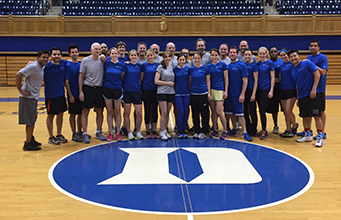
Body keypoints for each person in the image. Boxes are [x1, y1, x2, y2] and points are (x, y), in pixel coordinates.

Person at [288, 49, 323, 147]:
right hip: (302, 96)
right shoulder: (293, 71)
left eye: (295, 56)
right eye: (291, 57)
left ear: (298, 56)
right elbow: (298, 85)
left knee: (317, 116)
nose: (293, 58)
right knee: (305, 116)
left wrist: (314, 89)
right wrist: (299, 98)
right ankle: (308, 135)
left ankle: (319, 137)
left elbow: (317, 74)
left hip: (313, 94)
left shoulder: (307, 63)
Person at [15, 50, 49, 151]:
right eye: (43, 57)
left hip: (33, 97)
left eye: (47, 57)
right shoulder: (33, 66)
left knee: (32, 119)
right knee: (30, 121)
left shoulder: (40, 67)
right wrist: (20, 90)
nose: (45, 59)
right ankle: (28, 143)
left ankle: (30, 138)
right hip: (28, 98)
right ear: (38, 57)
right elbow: (18, 75)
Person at [79, 42, 107, 143]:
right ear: (91, 49)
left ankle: (98, 131)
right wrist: (81, 91)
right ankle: (85, 133)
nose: (97, 51)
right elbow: (81, 77)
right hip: (88, 88)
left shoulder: (103, 60)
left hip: (99, 88)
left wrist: (103, 56)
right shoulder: (85, 61)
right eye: (95, 49)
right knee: (85, 111)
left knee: (100, 111)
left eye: (99, 49)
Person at [224, 46, 252, 141]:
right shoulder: (227, 66)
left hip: (237, 94)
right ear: (229, 54)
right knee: (231, 113)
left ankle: (245, 132)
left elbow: (245, 80)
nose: (232, 54)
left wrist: (242, 94)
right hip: (228, 94)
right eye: (230, 52)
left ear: (237, 53)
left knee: (240, 114)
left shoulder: (242, 65)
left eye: (234, 52)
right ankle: (234, 129)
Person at [44, 47, 68, 145]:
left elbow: (75, 61)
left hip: (61, 94)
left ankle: (59, 134)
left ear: (61, 55)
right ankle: (51, 137)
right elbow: (36, 64)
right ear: (51, 56)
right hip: (51, 95)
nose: (56, 56)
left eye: (58, 54)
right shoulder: (46, 66)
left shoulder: (64, 63)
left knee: (60, 114)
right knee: (50, 116)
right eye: (54, 54)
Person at [305, 39, 328, 140]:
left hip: (320, 88)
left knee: (321, 110)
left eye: (315, 46)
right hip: (310, 87)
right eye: (311, 45)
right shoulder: (308, 57)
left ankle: (322, 132)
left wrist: (312, 65)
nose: (313, 47)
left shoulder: (323, 57)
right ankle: (308, 130)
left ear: (318, 47)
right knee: (310, 110)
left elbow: (323, 72)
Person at [103, 47, 126, 141]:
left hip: (117, 89)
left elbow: (122, 77)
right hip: (107, 89)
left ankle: (118, 132)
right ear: (110, 55)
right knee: (109, 111)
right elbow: (105, 74)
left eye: (115, 53)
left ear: (117, 54)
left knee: (117, 112)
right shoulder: (107, 63)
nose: (114, 55)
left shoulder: (122, 65)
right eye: (112, 53)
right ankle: (110, 132)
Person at [207, 48, 229, 139]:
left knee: (219, 111)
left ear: (219, 56)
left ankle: (225, 131)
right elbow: (208, 81)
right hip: (212, 90)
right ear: (211, 56)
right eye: (213, 55)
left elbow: (226, 79)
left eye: (216, 55)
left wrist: (226, 91)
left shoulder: (223, 65)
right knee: (213, 112)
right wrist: (208, 92)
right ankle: (215, 130)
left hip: (220, 90)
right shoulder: (209, 66)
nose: (214, 57)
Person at [122, 49, 144, 140]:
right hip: (127, 91)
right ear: (129, 56)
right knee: (127, 112)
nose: (134, 56)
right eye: (132, 55)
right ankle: (129, 132)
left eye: (135, 55)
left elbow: (141, 78)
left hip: (137, 91)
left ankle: (138, 131)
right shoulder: (125, 65)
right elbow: (122, 77)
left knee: (139, 112)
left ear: (137, 56)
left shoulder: (140, 66)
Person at [189, 52, 211, 139]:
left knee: (204, 113)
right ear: (193, 59)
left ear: (201, 59)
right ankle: (197, 130)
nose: (197, 60)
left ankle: (204, 130)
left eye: (198, 58)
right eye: (195, 58)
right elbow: (190, 82)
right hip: (194, 94)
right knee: (195, 113)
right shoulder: (191, 70)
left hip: (203, 93)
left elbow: (208, 81)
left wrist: (208, 93)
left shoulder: (205, 69)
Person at [155, 51, 175, 140]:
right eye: (165, 57)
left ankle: (165, 130)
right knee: (163, 113)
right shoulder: (160, 67)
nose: (167, 58)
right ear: (163, 58)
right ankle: (162, 131)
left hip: (170, 92)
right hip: (162, 92)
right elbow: (156, 81)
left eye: (169, 56)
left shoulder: (171, 67)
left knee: (167, 113)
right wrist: (168, 83)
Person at [278, 48, 299, 137]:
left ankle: (294, 126)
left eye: (285, 55)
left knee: (288, 110)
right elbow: (279, 78)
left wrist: (298, 93)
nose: (283, 56)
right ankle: (288, 129)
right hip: (283, 89)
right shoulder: (282, 66)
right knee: (285, 112)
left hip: (291, 90)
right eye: (281, 55)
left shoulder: (293, 65)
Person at [64, 44, 83, 142]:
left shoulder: (81, 65)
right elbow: (66, 81)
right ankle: (74, 132)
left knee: (80, 114)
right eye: (72, 52)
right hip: (72, 93)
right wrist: (70, 94)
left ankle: (80, 131)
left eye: (76, 52)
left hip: (80, 93)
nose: (74, 54)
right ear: (69, 54)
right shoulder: (67, 65)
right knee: (73, 114)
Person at [256, 46, 275, 140]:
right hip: (257, 90)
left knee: (262, 110)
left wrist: (271, 90)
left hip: (266, 89)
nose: (262, 55)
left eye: (264, 53)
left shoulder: (270, 63)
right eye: (260, 54)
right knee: (258, 109)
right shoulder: (257, 64)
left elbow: (272, 77)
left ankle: (264, 130)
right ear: (258, 54)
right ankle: (259, 129)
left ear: (266, 54)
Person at [140, 49, 159, 138]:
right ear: (146, 57)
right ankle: (147, 130)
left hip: (155, 90)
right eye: (148, 55)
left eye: (151, 55)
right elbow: (142, 78)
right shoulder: (144, 65)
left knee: (154, 109)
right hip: (146, 90)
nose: (150, 57)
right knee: (147, 109)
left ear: (154, 56)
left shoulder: (157, 65)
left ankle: (154, 129)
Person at [267, 46, 284, 134]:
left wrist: (278, 80)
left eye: (275, 51)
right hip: (272, 89)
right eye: (271, 52)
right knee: (274, 109)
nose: (273, 53)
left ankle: (290, 124)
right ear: (269, 53)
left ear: (278, 52)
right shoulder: (267, 63)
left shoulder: (281, 62)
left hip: (281, 88)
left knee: (285, 109)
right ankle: (275, 125)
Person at [173, 53, 190, 138]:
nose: (182, 61)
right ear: (177, 60)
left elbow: (190, 80)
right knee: (181, 112)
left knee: (186, 113)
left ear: (185, 60)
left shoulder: (188, 69)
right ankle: (179, 130)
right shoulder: (175, 70)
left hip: (187, 93)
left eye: (183, 60)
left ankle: (184, 130)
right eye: (180, 60)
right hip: (178, 94)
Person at [243, 48, 258, 136]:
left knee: (252, 110)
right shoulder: (243, 65)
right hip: (244, 90)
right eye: (246, 55)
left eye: (249, 55)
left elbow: (256, 80)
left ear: (252, 56)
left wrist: (254, 93)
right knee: (245, 110)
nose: (247, 56)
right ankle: (248, 128)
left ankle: (254, 128)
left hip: (251, 89)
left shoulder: (254, 66)